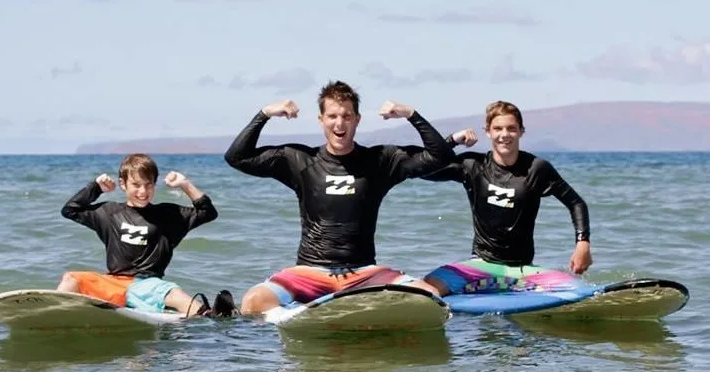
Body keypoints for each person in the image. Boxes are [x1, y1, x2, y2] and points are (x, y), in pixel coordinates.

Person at [223, 80, 456, 315]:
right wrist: (266, 113)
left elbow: (441, 156)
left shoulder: (380, 161)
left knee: (430, 297)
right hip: (309, 272)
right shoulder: (300, 160)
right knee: (253, 302)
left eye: (346, 116)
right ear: (321, 120)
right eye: (332, 116)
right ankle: (295, 318)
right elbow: (237, 157)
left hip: (364, 273)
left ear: (357, 119)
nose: (339, 123)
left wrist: (410, 114)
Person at [419, 100, 593, 296]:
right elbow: (426, 170)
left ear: (520, 131)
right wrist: (452, 140)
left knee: (578, 291)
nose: (504, 135)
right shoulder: (473, 165)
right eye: (498, 128)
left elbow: (575, 202)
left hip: (522, 270)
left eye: (511, 128)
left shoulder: (537, 168)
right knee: (429, 286)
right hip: (481, 265)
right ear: (488, 132)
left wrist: (582, 244)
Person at [58, 153, 235, 318]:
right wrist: (96, 188)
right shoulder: (108, 212)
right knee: (71, 279)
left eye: (148, 184)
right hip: (112, 284)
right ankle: (51, 316)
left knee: (174, 294)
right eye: (136, 185)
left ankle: (209, 317)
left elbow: (208, 212)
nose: (143, 191)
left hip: (149, 286)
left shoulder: (169, 215)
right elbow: (70, 210)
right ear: (123, 184)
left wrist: (185, 184)